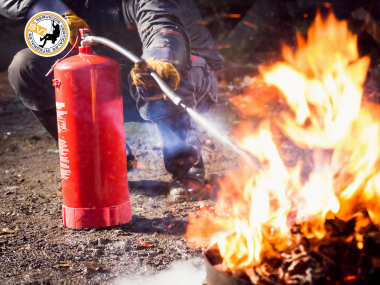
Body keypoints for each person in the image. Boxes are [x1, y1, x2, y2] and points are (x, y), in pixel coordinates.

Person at [1, 0, 223, 203]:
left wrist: (160, 57)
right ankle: (105, 162)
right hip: (108, 78)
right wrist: (48, 8)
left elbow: (162, 24)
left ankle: (185, 169)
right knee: (25, 66)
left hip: (185, 73)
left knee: (158, 70)